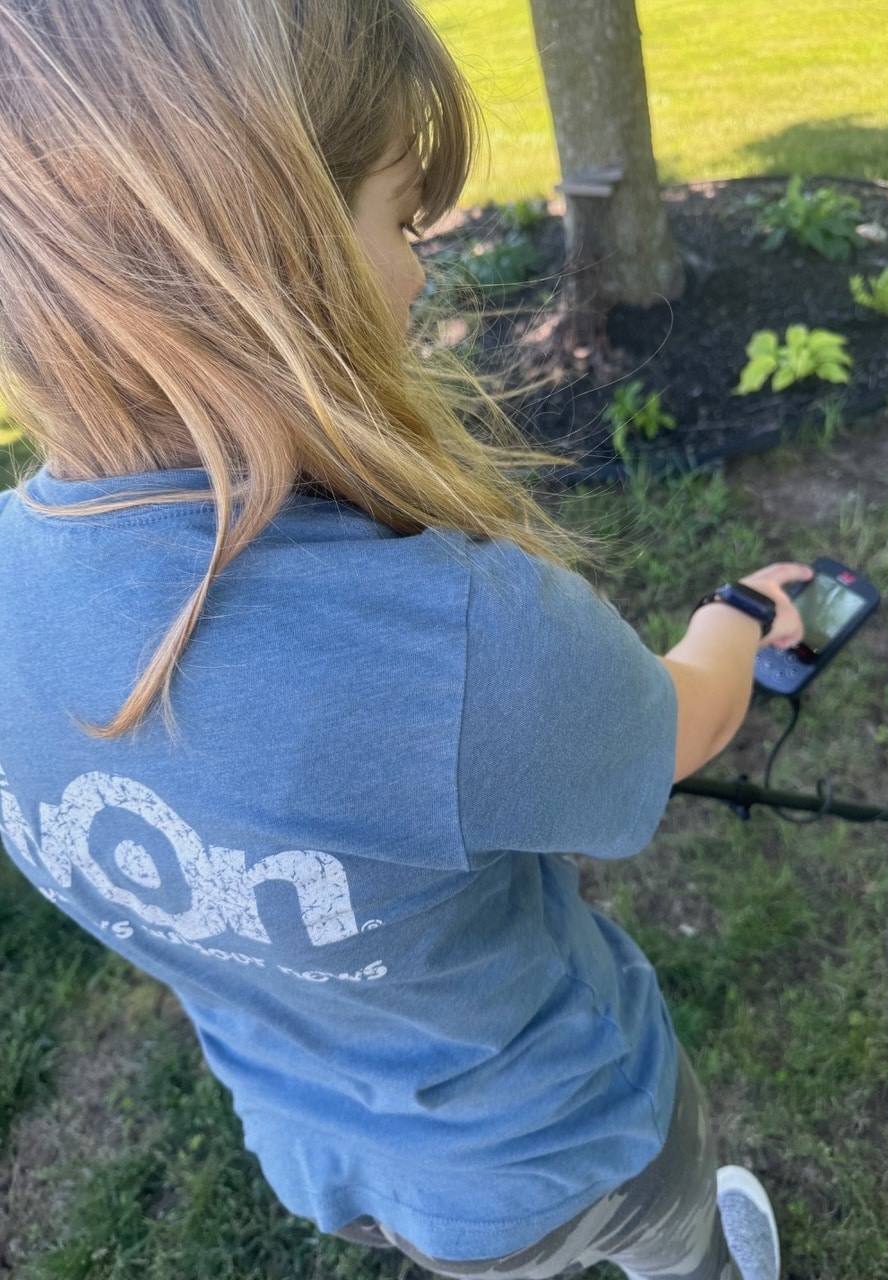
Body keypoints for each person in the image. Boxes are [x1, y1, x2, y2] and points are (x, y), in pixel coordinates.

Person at [0, 3, 811, 1278]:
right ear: (271, 265)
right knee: (675, 1235)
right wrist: (740, 617)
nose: (422, 270)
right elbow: (677, 731)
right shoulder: (464, 632)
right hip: (571, 1136)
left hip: (331, 1157)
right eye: (401, 219)